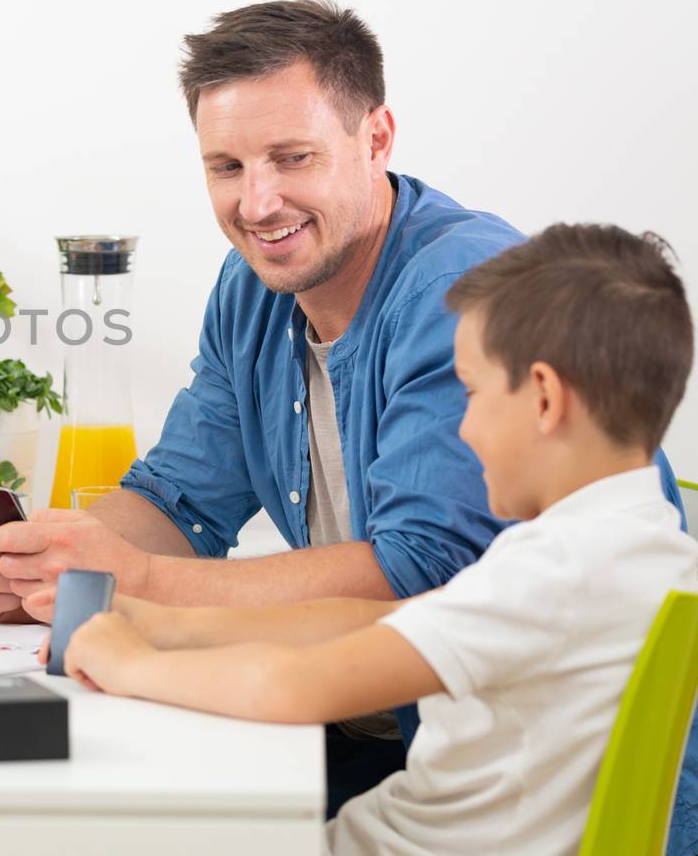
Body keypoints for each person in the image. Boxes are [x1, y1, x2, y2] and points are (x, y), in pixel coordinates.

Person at [0, 0, 687, 814]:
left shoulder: (473, 299)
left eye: (291, 157)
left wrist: (136, 597)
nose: (258, 203)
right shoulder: (256, 285)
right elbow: (177, 498)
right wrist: (56, 566)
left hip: (443, 775)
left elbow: (413, 582)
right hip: (381, 756)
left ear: (375, 139)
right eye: (225, 167)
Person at [54, 223, 698, 856]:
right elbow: (379, 622)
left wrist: (132, 664)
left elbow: (294, 688)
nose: (462, 430)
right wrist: (163, 623)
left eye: (470, 394)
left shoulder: (554, 570)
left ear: (544, 400)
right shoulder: (639, 546)